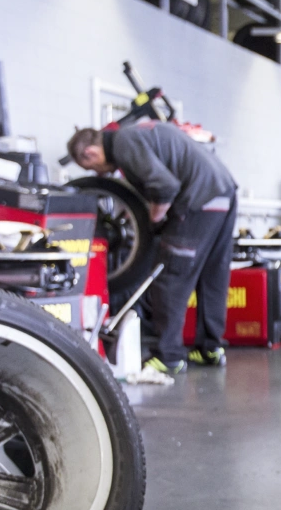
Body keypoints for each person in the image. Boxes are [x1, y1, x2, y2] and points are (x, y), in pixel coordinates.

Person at [67, 121, 238, 374]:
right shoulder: (135, 134)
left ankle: (168, 357)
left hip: (199, 198)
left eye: (91, 167)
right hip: (223, 191)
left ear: (91, 153)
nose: (99, 175)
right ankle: (209, 349)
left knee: (169, 274)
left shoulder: (124, 143)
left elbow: (165, 187)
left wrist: (153, 222)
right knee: (212, 276)